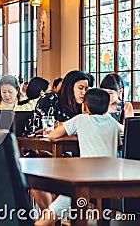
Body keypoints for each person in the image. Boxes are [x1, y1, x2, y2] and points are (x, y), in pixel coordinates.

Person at [36, 88, 124, 226]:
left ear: (85, 106)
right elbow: (118, 142)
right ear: (107, 107)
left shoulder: (81, 119)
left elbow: (52, 136)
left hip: (87, 178)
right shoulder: (113, 123)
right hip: (111, 178)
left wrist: (75, 136)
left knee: (59, 204)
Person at [24, 70, 89, 136]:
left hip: (69, 143)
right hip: (37, 141)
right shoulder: (50, 99)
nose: (84, 92)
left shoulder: (85, 105)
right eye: (80, 88)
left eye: (86, 89)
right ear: (69, 87)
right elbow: (45, 128)